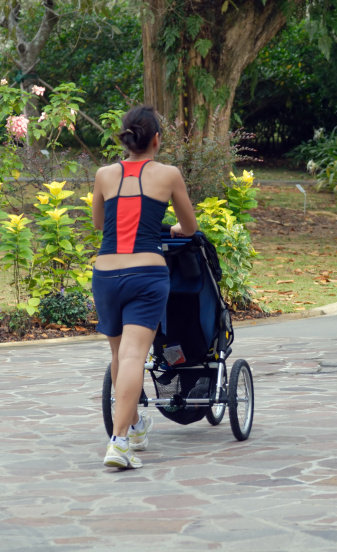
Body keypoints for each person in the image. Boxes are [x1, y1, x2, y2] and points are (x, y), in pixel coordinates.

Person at [92, 105, 198, 469]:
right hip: (146, 274)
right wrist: (171, 230)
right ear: (156, 139)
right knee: (135, 356)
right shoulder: (168, 175)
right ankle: (119, 443)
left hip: (105, 275)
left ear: (127, 138)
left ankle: (134, 426)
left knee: (120, 356)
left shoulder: (104, 174)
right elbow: (189, 225)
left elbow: (99, 223)